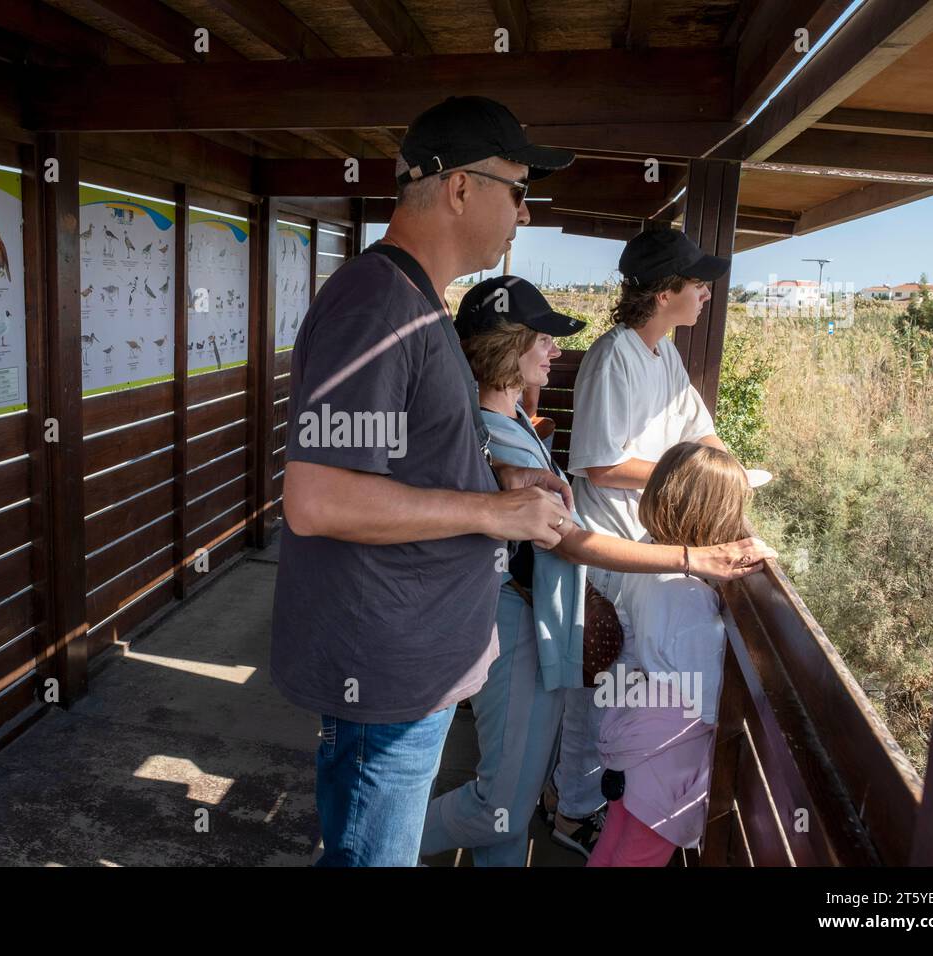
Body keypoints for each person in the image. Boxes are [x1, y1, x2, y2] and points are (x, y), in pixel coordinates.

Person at [271, 96, 580, 867]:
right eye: (519, 189)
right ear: (461, 188)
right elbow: (319, 499)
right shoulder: (377, 303)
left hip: (413, 667)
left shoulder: (417, 303)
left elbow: (406, 455)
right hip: (384, 678)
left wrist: (499, 472)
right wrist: (494, 512)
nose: (525, 213)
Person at [418, 277, 774, 866]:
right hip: (510, 623)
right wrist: (691, 558)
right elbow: (574, 543)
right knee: (500, 800)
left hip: (526, 620)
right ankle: (373, 844)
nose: (556, 351)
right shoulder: (491, 436)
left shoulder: (507, 428)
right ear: (507, 348)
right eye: (542, 340)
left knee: (512, 800)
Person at [548, 227, 738, 855]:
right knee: (598, 687)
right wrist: (688, 479)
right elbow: (599, 464)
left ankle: (605, 799)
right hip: (610, 553)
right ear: (663, 294)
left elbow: (701, 434)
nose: (706, 293)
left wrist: (732, 477)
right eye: (695, 283)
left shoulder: (665, 356)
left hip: (649, 545)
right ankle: (573, 811)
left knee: (625, 683)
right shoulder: (615, 356)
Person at [589, 441, 751, 866]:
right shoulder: (688, 599)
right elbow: (709, 696)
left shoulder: (649, 555)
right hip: (667, 758)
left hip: (634, 728)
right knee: (639, 856)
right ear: (716, 516)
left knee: (615, 841)